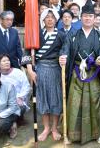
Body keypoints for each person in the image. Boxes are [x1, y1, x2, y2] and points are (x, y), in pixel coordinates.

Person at [59, 4, 100, 144]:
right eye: (85, 16)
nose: (87, 18)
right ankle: (71, 134)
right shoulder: (73, 34)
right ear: (80, 18)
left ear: (95, 18)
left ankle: (97, 133)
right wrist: (62, 56)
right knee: (74, 103)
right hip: (76, 73)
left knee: (95, 103)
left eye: (90, 16)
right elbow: (65, 49)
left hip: (93, 73)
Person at [22, 8, 65, 141]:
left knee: (56, 98)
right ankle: (46, 128)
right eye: (47, 17)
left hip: (56, 70)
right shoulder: (36, 34)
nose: (50, 19)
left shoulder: (61, 35)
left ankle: (54, 128)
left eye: (52, 17)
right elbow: (27, 52)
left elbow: (66, 50)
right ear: (43, 19)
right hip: (40, 69)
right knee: (43, 98)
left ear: (56, 19)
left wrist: (64, 57)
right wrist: (30, 70)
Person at [0, 54, 31, 118]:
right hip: (2, 101)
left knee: (19, 108)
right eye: (4, 61)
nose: (7, 62)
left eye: (8, 60)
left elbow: (26, 87)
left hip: (17, 100)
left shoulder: (18, 72)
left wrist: (20, 97)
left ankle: (13, 120)